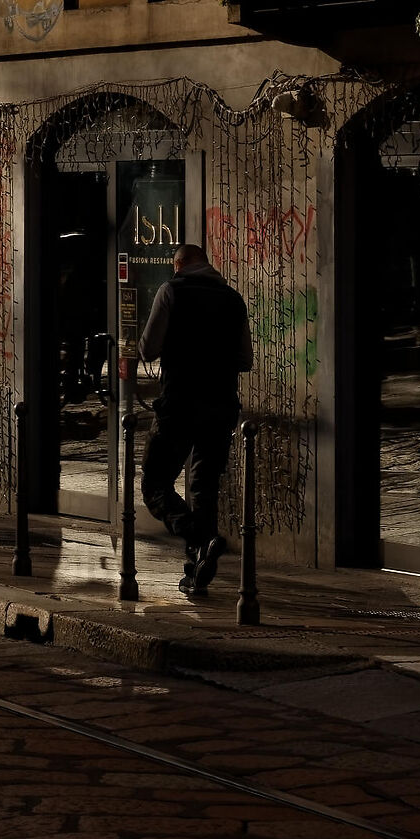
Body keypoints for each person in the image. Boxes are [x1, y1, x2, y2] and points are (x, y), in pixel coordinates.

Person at [137, 241, 251, 597]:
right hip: (221, 407)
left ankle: (199, 537)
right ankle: (198, 567)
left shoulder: (171, 291)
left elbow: (148, 348)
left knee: (155, 483)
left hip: (180, 404)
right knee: (204, 486)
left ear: (180, 264)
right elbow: (245, 360)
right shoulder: (233, 299)